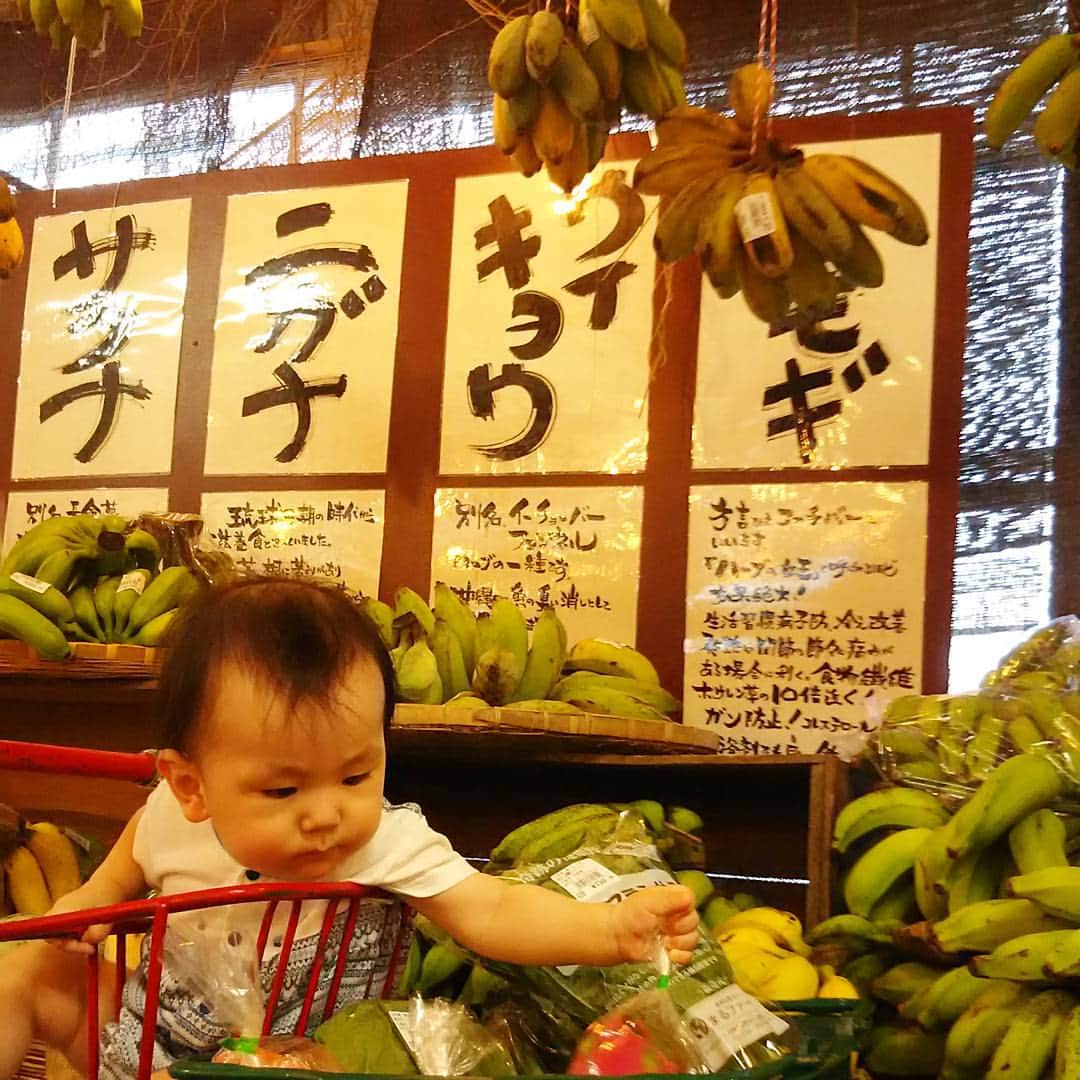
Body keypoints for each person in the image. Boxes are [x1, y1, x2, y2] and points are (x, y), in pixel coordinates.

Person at [0, 577, 699, 1077]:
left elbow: (491, 907)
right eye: (282, 788)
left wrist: (609, 931)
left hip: (315, 1054)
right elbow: (123, 867)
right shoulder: (165, 815)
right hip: (153, 1041)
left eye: (357, 776)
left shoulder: (385, 841)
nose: (328, 812)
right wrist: (88, 901)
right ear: (191, 786)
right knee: (21, 974)